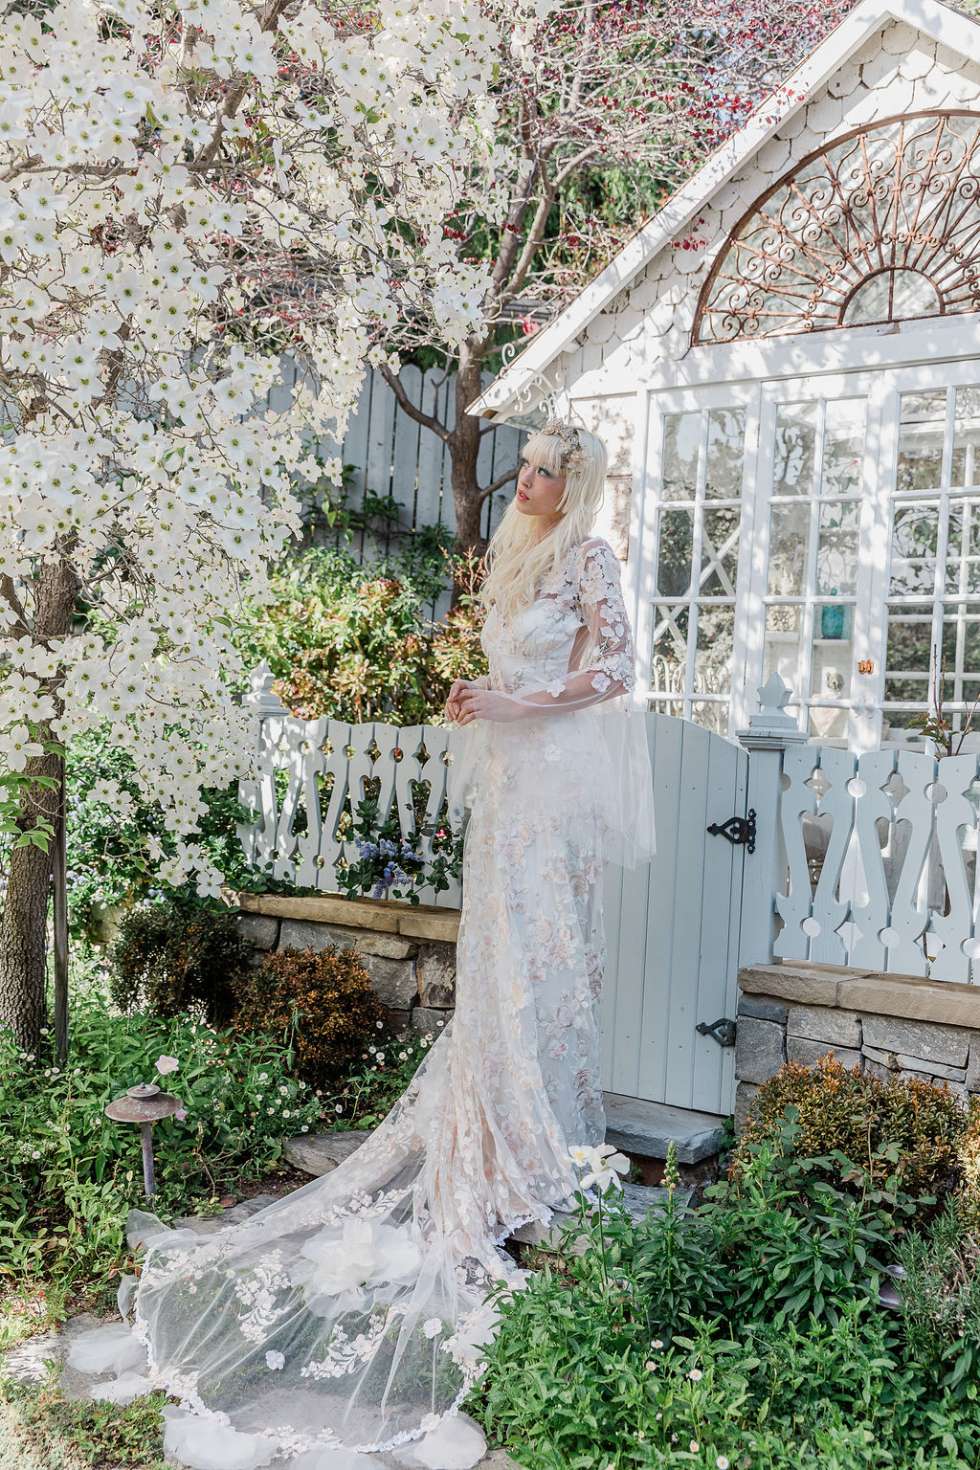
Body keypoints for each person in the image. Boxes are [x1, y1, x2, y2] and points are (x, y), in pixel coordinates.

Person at [84, 419, 656, 1470]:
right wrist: (480, 703)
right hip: (508, 785)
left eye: (542, 472)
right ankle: (487, 1136)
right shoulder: (514, 552)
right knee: (494, 967)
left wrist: (520, 701)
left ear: (573, 486)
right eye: (521, 465)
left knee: (538, 971)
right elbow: (506, 677)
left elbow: (616, 670)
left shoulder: (588, 555)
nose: (522, 481)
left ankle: (531, 1145)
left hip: (553, 792)